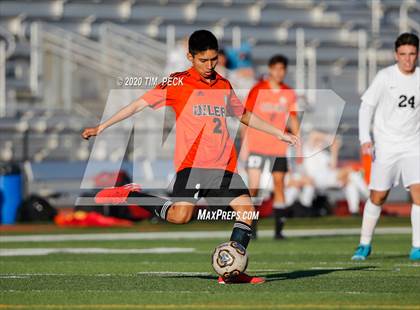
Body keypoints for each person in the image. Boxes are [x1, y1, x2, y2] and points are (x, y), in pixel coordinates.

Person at [81, 30, 299, 283]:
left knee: (247, 212)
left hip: (224, 166)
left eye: (213, 59)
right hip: (193, 166)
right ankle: (130, 194)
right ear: (190, 57)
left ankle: (231, 270)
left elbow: (244, 115)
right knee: (180, 216)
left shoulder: (223, 84)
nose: (209, 66)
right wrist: (102, 126)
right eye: (203, 60)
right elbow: (138, 104)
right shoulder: (177, 83)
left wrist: (279, 133)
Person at [351, 33, 420, 261]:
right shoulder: (385, 76)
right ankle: (364, 243)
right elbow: (366, 108)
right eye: (403, 54)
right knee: (378, 196)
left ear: (417, 54)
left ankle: (417, 247)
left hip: (413, 145)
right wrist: (365, 138)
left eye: (412, 54)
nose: (408, 59)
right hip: (387, 144)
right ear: (395, 55)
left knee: (419, 193)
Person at [242, 55, 300, 239]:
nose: (279, 73)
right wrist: (244, 145)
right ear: (270, 69)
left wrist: (298, 143)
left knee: (279, 185)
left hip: (278, 148)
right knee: (254, 188)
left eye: (282, 69)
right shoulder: (257, 90)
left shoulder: (289, 93)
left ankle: (278, 230)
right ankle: (251, 229)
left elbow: (293, 118)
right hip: (257, 145)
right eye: (276, 69)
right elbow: (246, 117)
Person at [302, 131, 369, 216]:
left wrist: (335, 149)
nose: (321, 143)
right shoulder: (309, 149)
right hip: (315, 178)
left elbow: (332, 167)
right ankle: (370, 196)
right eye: (320, 141)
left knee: (350, 180)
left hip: (328, 177)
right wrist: (331, 139)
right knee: (350, 171)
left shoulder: (325, 154)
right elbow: (313, 134)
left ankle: (354, 211)